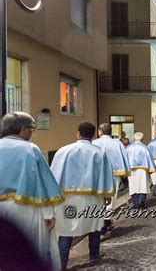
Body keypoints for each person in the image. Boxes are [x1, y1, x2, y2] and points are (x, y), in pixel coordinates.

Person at [0, 112, 64, 267]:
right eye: (32, 129)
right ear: (23, 129)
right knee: (31, 249)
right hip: (26, 208)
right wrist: (49, 214)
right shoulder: (30, 149)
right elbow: (42, 183)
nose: (32, 133)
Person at [51, 122, 115, 270]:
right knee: (94, 227)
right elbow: (106, 175)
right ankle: (94, 254)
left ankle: (62, 262)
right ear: (93, 134)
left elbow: (54, 175)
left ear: (78, 133)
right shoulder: (99, 152)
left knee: (66, 230)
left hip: (68, 199)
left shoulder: (64, 151)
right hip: (93, 198)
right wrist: (107, 194)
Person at [93, 123, 130, 233]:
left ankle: (98, 220)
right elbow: (124, 157)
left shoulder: (94, 143)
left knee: (97, 196)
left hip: (97, 174)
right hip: (113, 173)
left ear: (100, 131)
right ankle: (107, 220)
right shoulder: (117, 143)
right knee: (111, 196)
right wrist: (125, 172)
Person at [126, 132, 156, 208]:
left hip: (131, 170)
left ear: (134, 138)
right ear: (142, 139)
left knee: (133, 186)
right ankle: (141, 202)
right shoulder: (144, 147)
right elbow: (149, 159)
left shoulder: (128, 147)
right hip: (142, 170)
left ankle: (135, 203)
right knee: (143, 185)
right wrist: (151, 169)